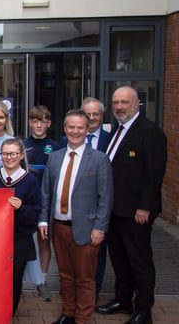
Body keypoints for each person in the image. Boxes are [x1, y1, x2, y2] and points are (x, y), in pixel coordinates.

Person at [96, 86, 167, 324]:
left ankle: (143, 310)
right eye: (116, 102)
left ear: (137, 104)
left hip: (136, 212)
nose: (119, 107)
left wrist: (145, 207)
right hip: (115, 210)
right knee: (119, 258)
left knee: (139, 261)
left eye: (124, 102)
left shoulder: (149, 132)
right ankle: (123, 299)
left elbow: (154, 175)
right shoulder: (117, 130)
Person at [39, 109, 113, 324]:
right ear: (64, 129)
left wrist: (100, 227)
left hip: (87, 229)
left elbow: (105, 197)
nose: (75, 131)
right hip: (59, 227)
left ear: (87, 129)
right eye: (71, 127)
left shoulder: (99, 159)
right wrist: (43, 220)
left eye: (80, 127)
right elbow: (46, 192)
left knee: (85, 279)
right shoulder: (55, 157)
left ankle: (82, 318)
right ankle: (68, 314)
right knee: (65, 276)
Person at [0, 138, 41, 317]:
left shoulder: (30, 180)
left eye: (13, 153)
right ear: (0, 156)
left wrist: (21, 208)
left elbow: (35, 213)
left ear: (21, 155)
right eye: (5, 153)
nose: (9, 157)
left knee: (14, 280)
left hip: (19, 238)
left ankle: (8, 315)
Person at [61, 97, 111, 298]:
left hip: (94, 214)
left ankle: (91, 299)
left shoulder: (110, 139)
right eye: (87, 114)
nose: (91, 119)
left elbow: (106, 192)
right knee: (68, 269)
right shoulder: (63, 147)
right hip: (65, 218)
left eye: (95, 114)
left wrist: (101, 224)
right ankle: (69, 307)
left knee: (91, 267)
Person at [23, 105, 62, 301]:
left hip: (46, 201)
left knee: (44, 241)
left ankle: (43, 280)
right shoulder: (22, 145)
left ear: (49, 124)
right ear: (30, 123)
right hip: (26, 201)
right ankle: (19, 281)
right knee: (23, 241)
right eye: (36, 121)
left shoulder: (55, 147)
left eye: (43, 122)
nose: (39, 125)